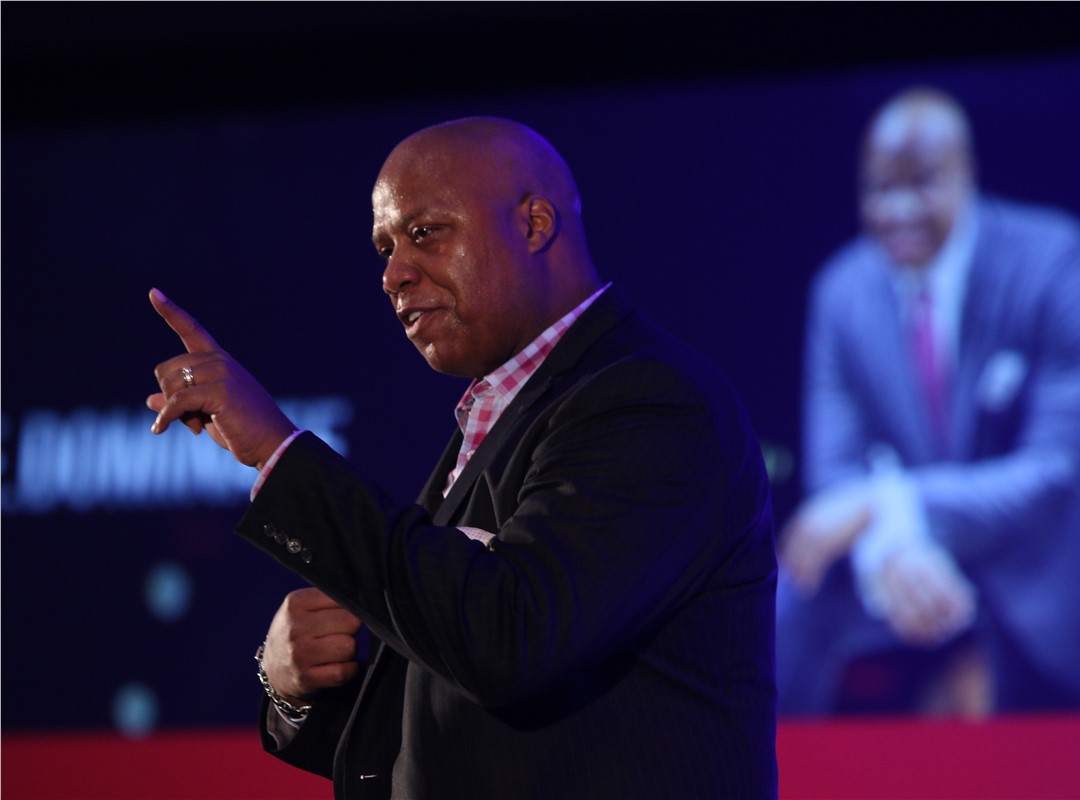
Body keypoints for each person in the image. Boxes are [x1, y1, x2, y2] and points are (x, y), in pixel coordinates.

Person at [147, 117, 778, 798]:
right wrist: (292, 682)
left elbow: (509, 641)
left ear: (535, 225)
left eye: (424, 234)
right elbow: (433, 716)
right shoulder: (504, 414)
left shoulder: (649, 400)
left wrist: (277, 449)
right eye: (384, 247)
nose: (393, 274)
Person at [775, 88, 1080, 716]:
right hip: (917, 556)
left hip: (1047, 559)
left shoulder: (1056, 260)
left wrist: (891, 502)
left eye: (922, 184)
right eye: (879, 189)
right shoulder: (842, 289)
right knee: (787, 594)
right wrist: (894, 545)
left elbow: (1058, 470)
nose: (898, 209)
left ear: (967, 174)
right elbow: (836, 474)